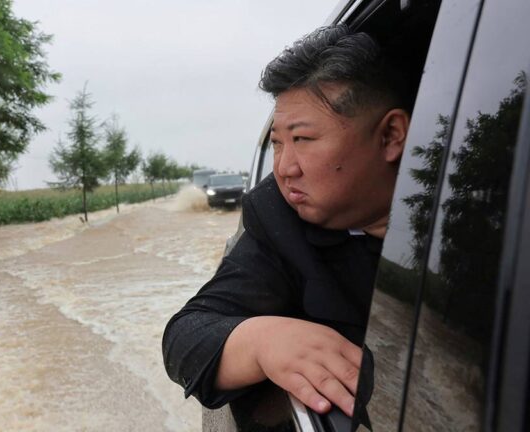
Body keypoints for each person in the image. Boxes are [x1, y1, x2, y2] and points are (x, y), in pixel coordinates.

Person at [162, 24, 412, 419]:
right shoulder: (279, 220)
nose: (283, 168)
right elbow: (185, 338)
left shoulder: (478, 222)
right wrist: (260, 341)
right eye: (277, 143)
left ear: (391, 136)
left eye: (303, 140)